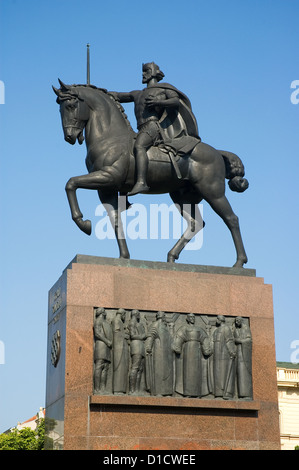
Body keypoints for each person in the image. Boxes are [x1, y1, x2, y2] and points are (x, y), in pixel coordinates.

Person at [109, 62, 200, 196]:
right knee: (126, 152)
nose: (143, 74)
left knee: (139, 146)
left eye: (146, 71)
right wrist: (99, 92)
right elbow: (117, 95)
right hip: (140, 129)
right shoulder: (137, 94)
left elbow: (175, 102)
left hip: (153, 126)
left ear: (154, 73)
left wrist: (159, 102)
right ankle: (124, 190)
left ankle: (141, 182)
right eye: (143, 71)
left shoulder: (164, 89)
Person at [173, 313, 212, 397]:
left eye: (193, 317)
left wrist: (206, 349)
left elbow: (204, 338)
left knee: (197, 372)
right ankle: (188, 393)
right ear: (187, 319)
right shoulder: (184, 328)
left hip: (197, 351)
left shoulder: (199, 329)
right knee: (188, 372)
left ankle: (198, 393)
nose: (192, 319)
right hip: (188, 350)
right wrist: (177, 347)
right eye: (190, 317)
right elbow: (179, 337)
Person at [93, 307, 112, 393]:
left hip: (107, 347)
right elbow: (97, 333)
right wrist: (106, 341)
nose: (105, 313)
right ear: (102, 312)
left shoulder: (106, 322)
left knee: (105, 367)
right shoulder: (98, 321)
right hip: (101, 345)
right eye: (104, 311)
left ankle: (103, 388)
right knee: (99, 366)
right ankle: (97, 389)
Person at [128, 309, 147, 394]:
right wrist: (143, 336)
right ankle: (132, 390)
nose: (140, 315)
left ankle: (137, 390)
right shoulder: (132, 322)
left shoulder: (139, 324)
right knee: (135, 368)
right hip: (136, 346)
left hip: (141, 346)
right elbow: (132, 335)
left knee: (140, 369)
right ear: (135, 314)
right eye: (138, 314)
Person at [233, 317, 253, 399]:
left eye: (238, 321)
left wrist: (240, 341)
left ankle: (246, 394)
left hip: (245, 355)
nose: (237, 322)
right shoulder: (236, 330)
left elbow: (249, 340)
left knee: (244, 373)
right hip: (238, 353)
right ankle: (238, 393)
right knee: (238, 372)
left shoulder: (246, 328)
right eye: (236, 321)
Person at [112, 308, 129, 394]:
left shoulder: (120, 322)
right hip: (119, 348)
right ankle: (118, 389)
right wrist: (124, 335)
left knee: (123, 368)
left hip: (123, 347)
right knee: (119, 368)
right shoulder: (116, 321)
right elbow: (116, 333)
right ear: (122, 314)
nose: (124, 317)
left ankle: (122, 389)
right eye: (124, 315)